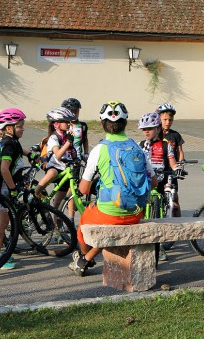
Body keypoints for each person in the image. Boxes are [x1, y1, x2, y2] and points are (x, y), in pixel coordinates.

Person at [70, 101, 156, 276]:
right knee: (109, 220)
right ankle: (85, 260)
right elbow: (154, 182)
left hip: (110, 213)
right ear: (125, 123)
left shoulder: (100, 149)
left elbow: (84, 189)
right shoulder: (136, 146)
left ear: (102, 125)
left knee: (84, 224)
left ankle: (85, 257)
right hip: (136, 212)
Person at [0, 107, 35, 269]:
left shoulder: (11, 141)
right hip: (3, 189)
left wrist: (31, 155)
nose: (23, 128)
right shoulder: (8, 145)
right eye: (20, 126)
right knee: (1, 223)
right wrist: (12, 189)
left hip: (2, 188)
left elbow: (20, 150)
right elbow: (4, 169)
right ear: (9, 128)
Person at [138, 112, 179, 261]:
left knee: (168, 203)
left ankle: (160, 245)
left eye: (150, 128)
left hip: (161, 179)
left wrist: (177, 169)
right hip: (146, 181)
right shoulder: (140, 145)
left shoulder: (165, 144)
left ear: (157, 128)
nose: (146, 131)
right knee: (140, 209)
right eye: (144, 129)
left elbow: (172, 161)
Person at [33, 107, 77, 211]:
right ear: (57, 123)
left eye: (69, 121)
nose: (68, 124)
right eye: (65, 121)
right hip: (54, 167)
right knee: (52, 172)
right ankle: (34, 194)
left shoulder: (67, 136)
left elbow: (70, 154)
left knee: (58, 203)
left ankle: (57, 223)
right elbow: (58, 155)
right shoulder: (53, 137)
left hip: (64, 169)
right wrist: (68, 143)